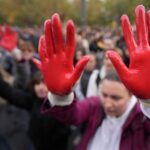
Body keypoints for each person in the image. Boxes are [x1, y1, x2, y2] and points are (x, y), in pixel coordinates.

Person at [33, 4, 150, 150]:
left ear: (130, 95)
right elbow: (73, 115)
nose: (107, 103)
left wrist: (148, 101)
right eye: (104, 95)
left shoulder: (142, 117)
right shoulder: (96, 105)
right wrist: (60, 97)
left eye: (116, 98)